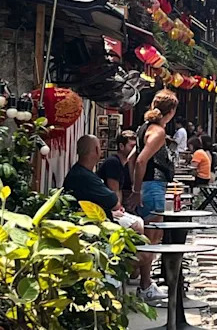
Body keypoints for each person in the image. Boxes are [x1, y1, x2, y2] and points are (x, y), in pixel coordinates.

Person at [66, 135, 164, 301]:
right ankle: (142, 285)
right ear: (96, 150)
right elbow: (113, 200)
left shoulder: (82, 173)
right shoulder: (87, 175)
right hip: (97, 236)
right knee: (146, 252)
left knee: (140, 233)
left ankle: (141, 281)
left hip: (97, 227)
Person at [133, 89, 178, 232]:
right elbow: (140, 160)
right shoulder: (158, 132)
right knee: (153, 234)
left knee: (146, 232)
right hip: (153, 185)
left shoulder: (143, 128)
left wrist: (136, 185)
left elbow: (131, 158)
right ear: (171, 111)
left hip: (146, 185)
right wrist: (136, 191)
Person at [98, 130, 137, 211]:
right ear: (121, 146)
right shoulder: (113, 162)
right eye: (132, 146)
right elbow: (114, 190)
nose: (134, 150)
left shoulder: (125, 165)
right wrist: (119, 208)